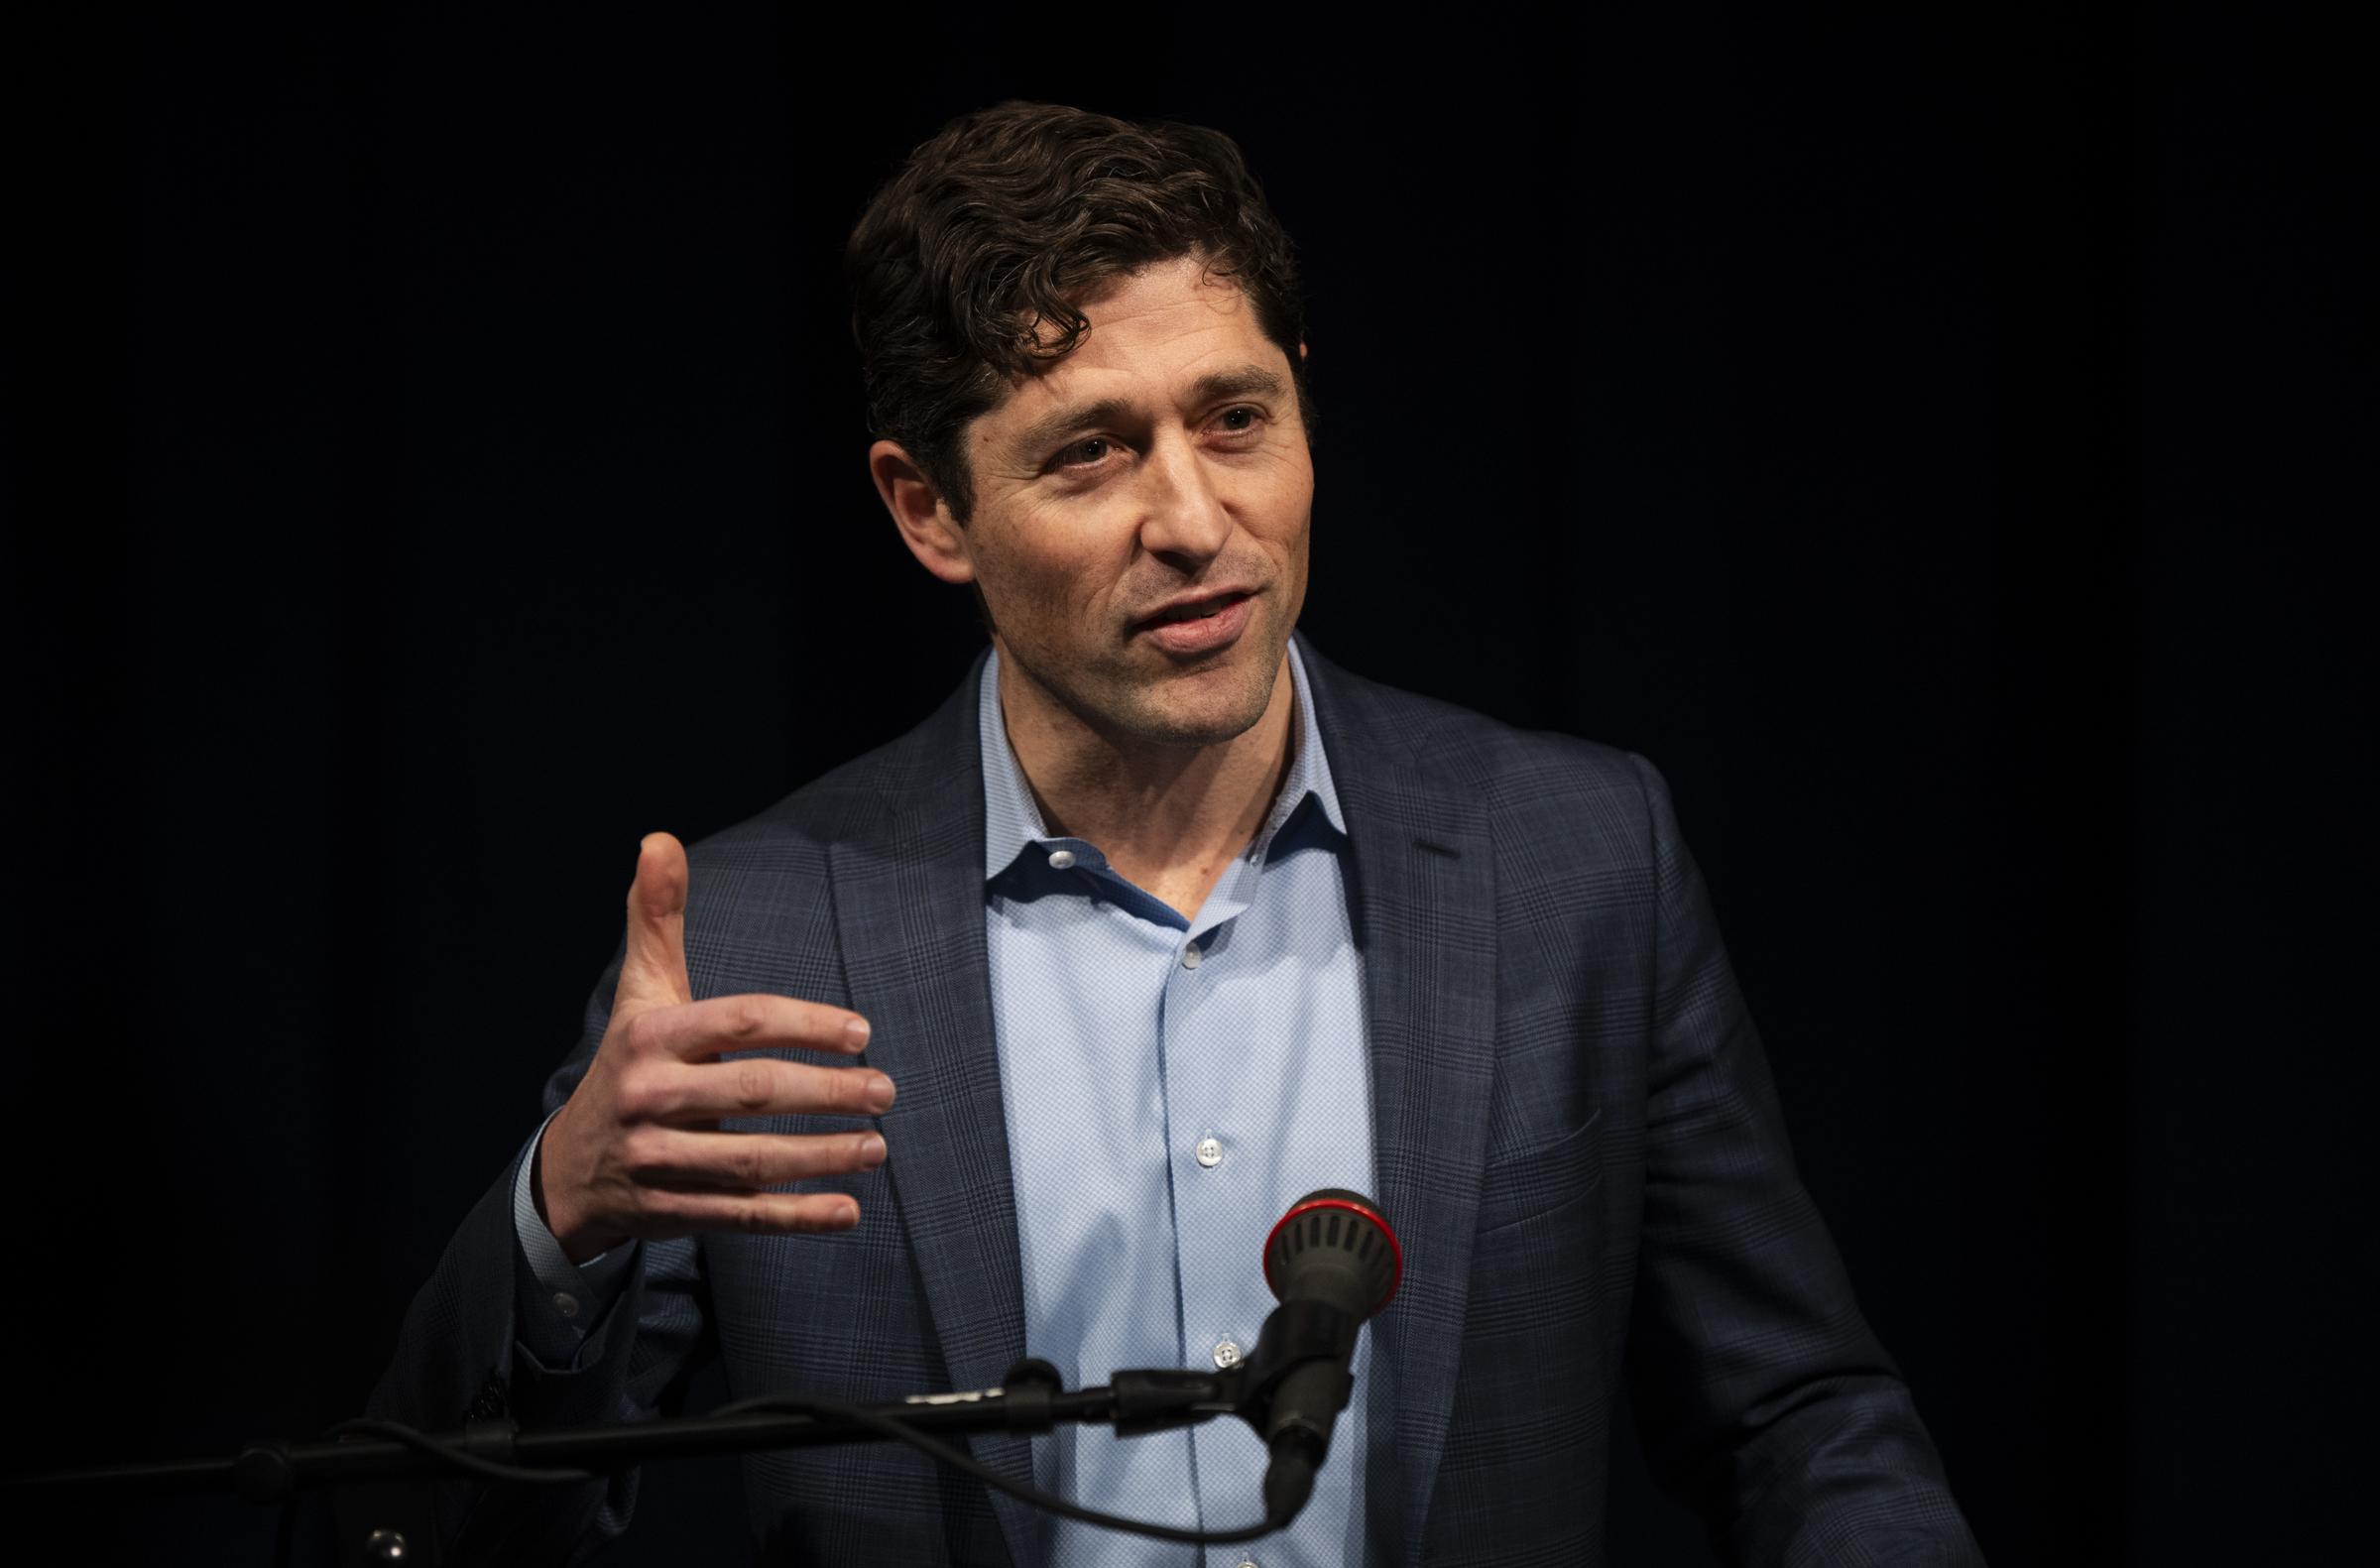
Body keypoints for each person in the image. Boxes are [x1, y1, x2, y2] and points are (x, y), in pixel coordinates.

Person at [371, 101, 1985, 1566]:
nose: (1197, 520)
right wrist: (562, 1216)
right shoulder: (762, 938)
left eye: (1234, 418)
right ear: (930, 509)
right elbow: (439, 1521)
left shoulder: (1575, 860)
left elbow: (1795, 1419)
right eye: (1091, 451)